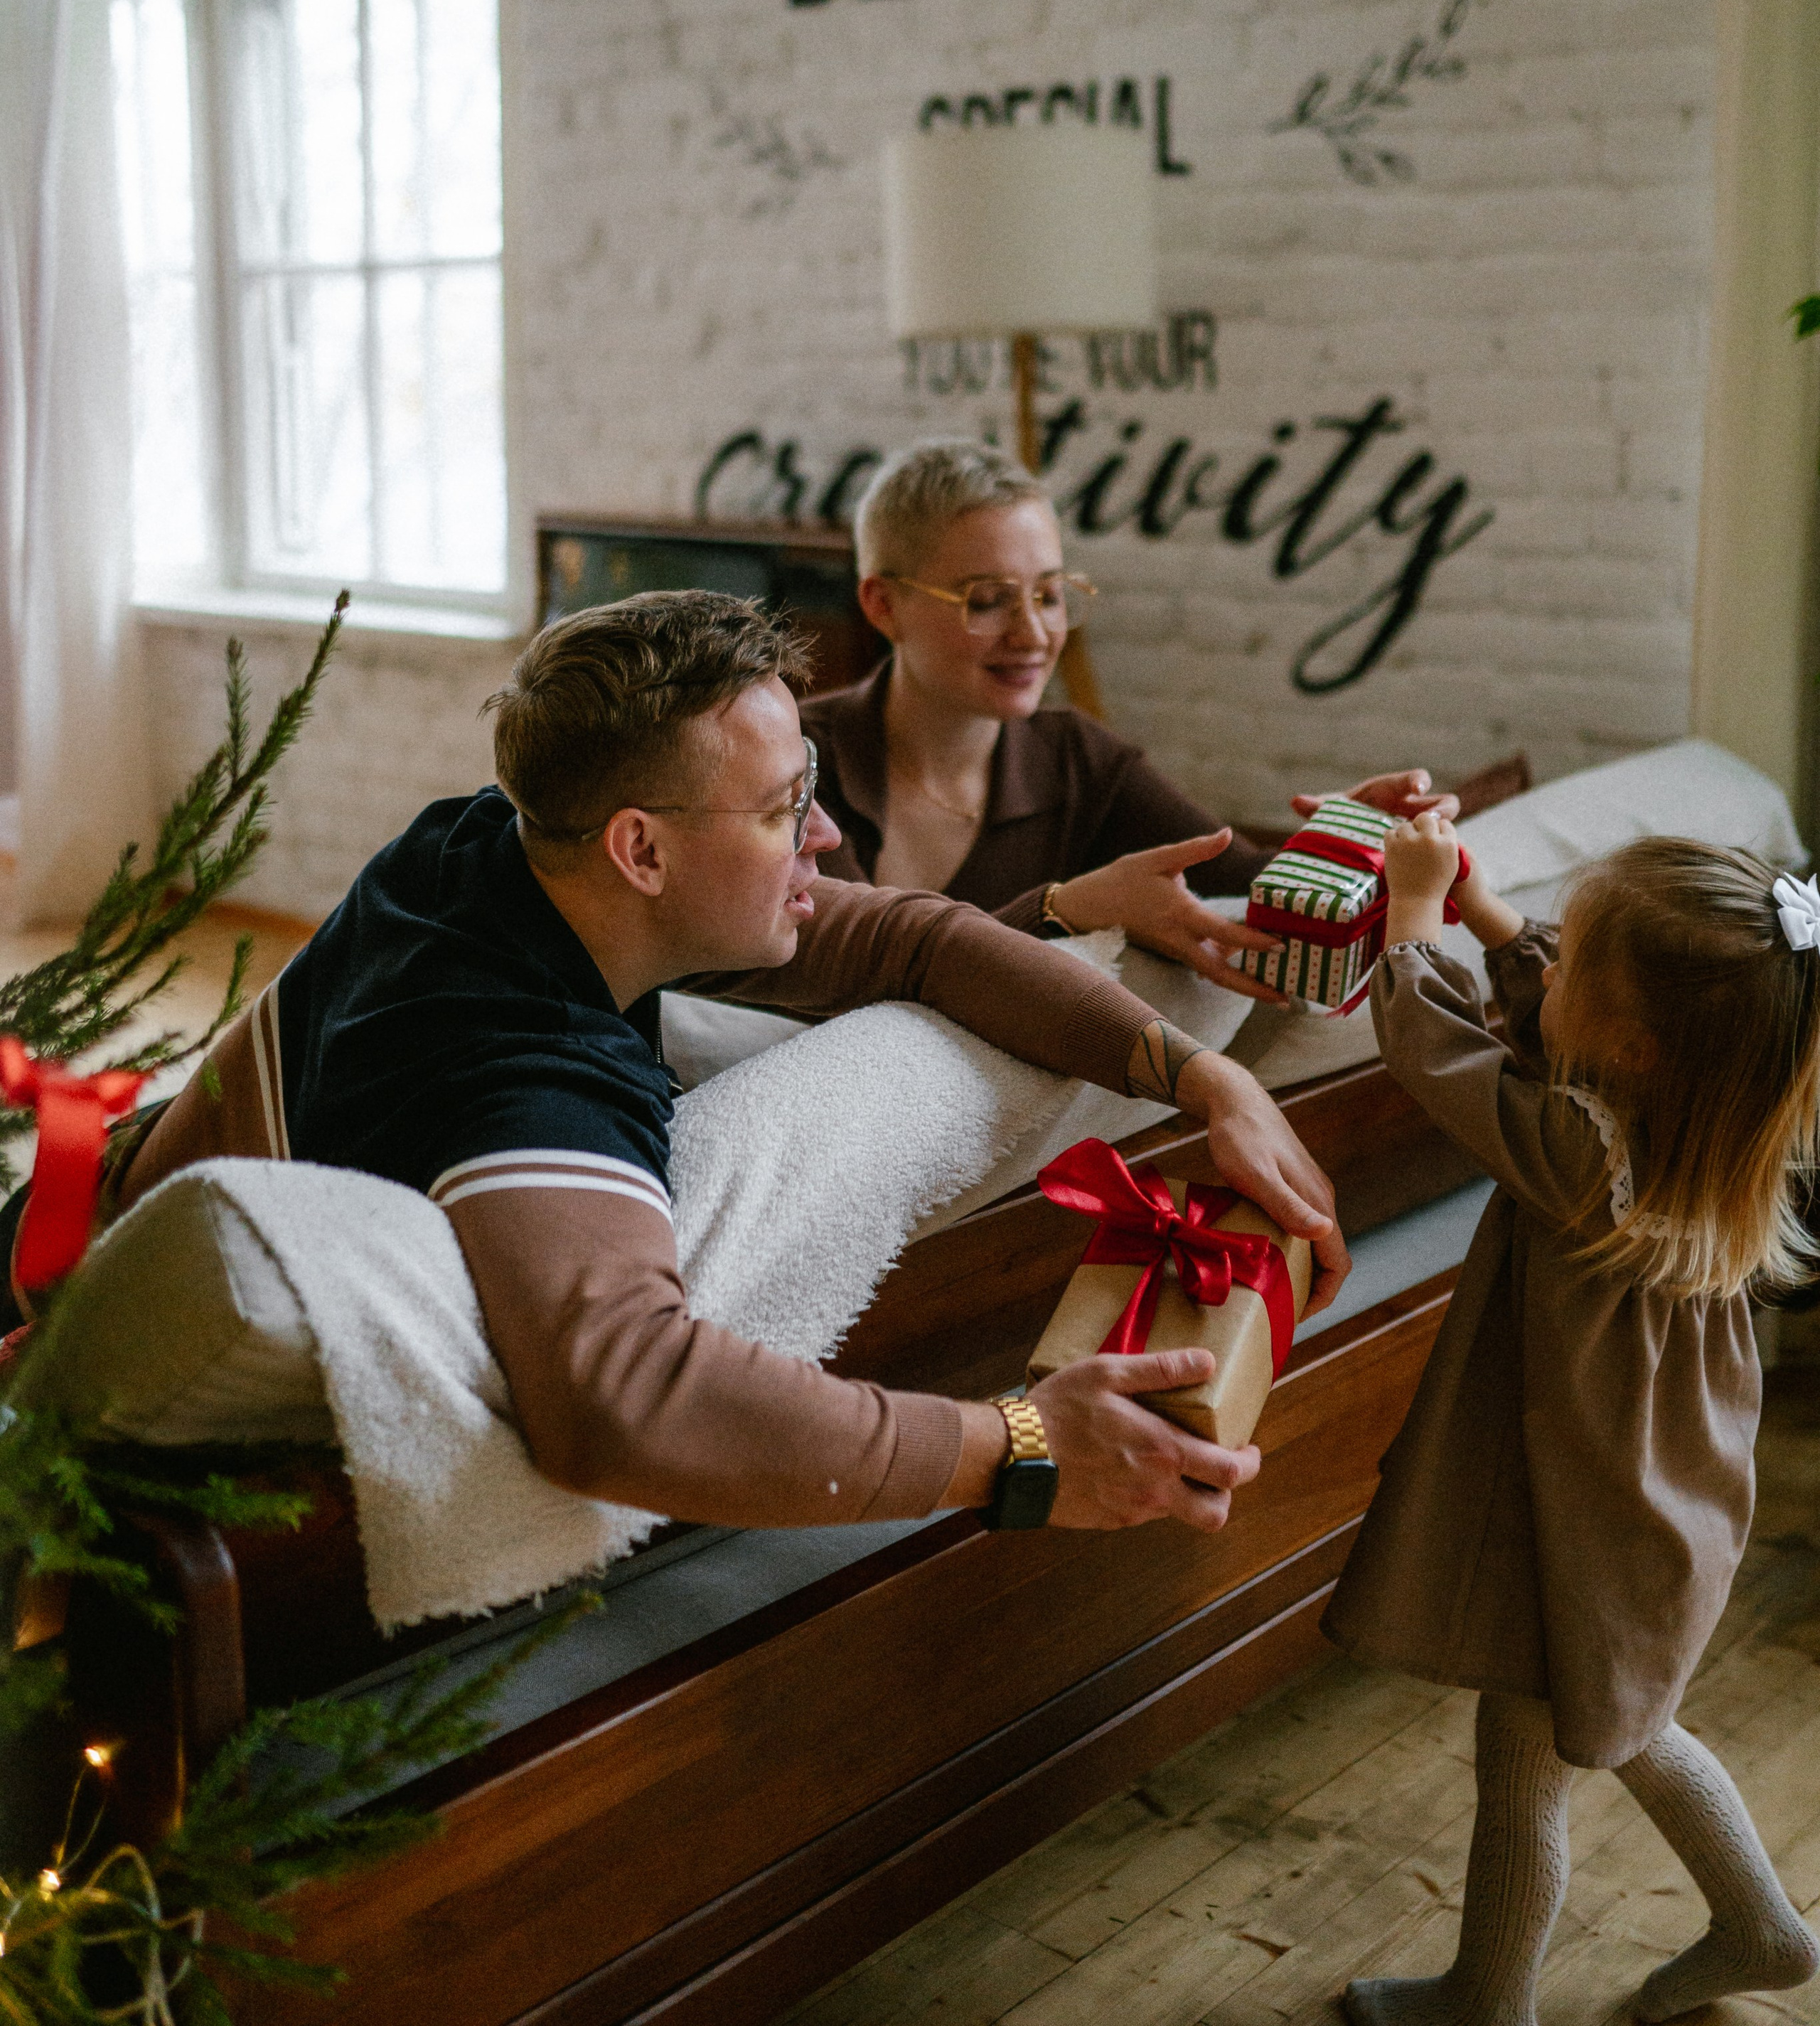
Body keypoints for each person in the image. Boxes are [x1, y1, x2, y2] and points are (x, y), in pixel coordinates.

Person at [81, 591, 1350, 1543]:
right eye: (784, 808)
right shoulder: (525, 1077)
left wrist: (1203, 1079)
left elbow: (915, 936)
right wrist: (1022, 1443)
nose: (830, 832)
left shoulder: (489, 850)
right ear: (642, 850)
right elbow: (622, 1398)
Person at [1324, 813, 1820, 2026]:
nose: (1544, 958)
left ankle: (1489, 2003)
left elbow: (1433, 1054)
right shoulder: (1700, 1133)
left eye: (1569, 959)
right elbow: (1562, 1002)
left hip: (1588, 1526)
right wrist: (1492, 915)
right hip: (1653, 1507)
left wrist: (1415, 913)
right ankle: (1759, 1928)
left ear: (1631, 1046)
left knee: (1533, 1759)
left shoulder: (1577, 1149)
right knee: (1631, 1730)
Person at [803, 438, 1459, 1003]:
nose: (1033, 633)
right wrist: (1062, 910)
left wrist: (1345, 834)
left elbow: (1238, 886)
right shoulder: (793, 763)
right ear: (883, 605)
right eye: (989, 600)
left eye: (1051, 595)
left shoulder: (1078, 757)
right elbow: (862, 977)